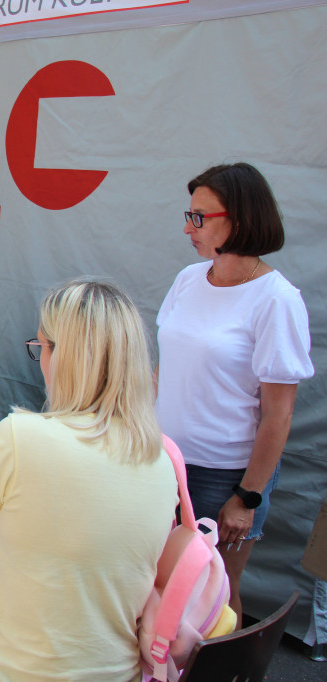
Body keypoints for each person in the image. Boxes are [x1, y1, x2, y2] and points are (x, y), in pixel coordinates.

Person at [0, 280, 178, 681]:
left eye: (41, 347)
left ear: (65, 355)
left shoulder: (21, 436)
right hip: (118, 673)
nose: (41, 359)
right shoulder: (162, 458)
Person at [156, 162, 313, 621]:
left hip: (222, 476)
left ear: (240, 220)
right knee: (157, 584)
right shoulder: (188, 278)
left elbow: (278, 415)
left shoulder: (276, 300)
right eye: (188, 215)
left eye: (200, 217)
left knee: (215, 597)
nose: (188, 227)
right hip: (163, 460)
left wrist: (247, 497)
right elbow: (166, 370)